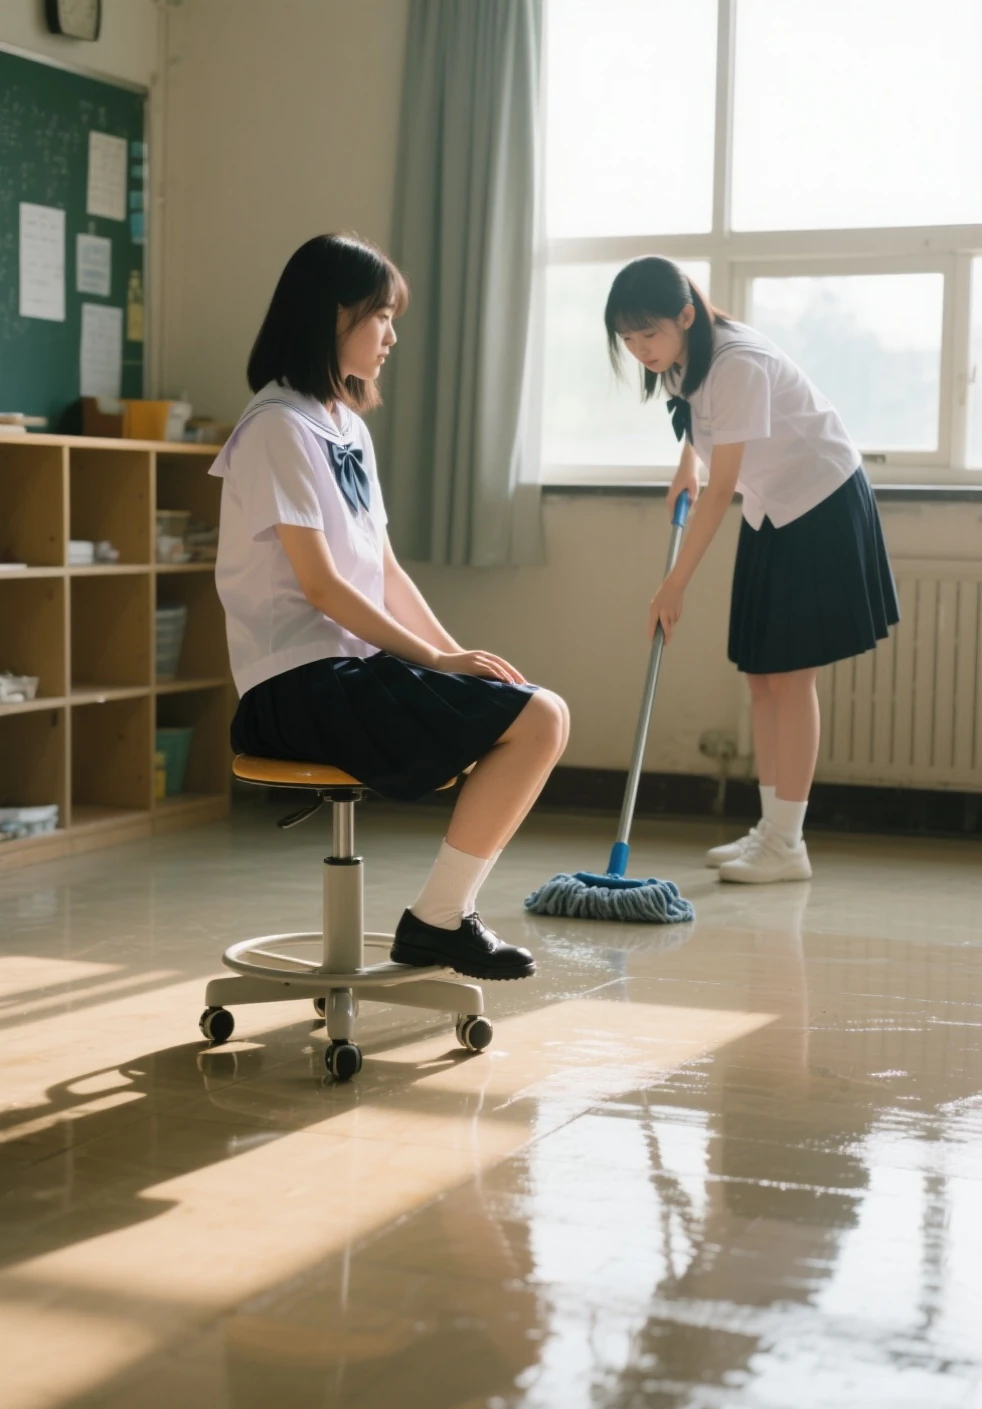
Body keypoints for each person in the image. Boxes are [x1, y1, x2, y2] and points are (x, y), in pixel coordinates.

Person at [213, 234, 568, 975]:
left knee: (531, 709)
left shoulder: (347, 426)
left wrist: (457, 656)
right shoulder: (276, 424)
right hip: (294, 688)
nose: (392, 336)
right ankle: (440, 920)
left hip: (349, 673)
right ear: (334, 315)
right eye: (381, 316)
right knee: (539, 718)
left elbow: (384, 571)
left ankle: (440, 916)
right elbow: (320, 586)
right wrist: (434, 659)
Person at [605, 256, 898, 884]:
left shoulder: (738, 361)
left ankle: (788, 845)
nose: (639, 350)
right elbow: (702, 420)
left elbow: (722, 489)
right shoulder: (688, 350)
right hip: (775, 506)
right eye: (627, 340)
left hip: (818, 503)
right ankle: (773, 829)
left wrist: (673, 584)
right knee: (762, 677)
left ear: (685, 315)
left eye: (647, 335)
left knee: (792, 678)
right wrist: (687, 460)